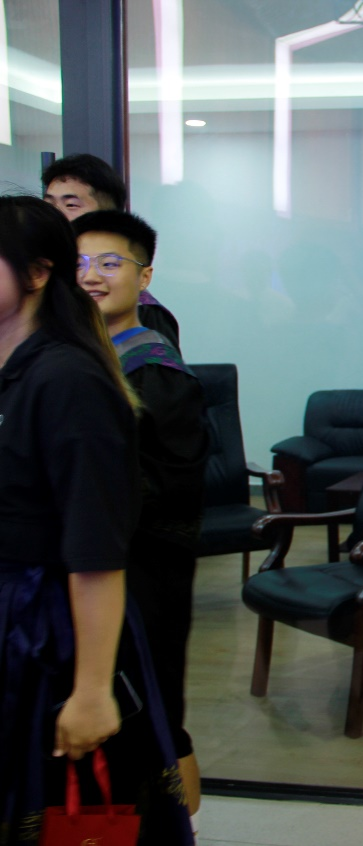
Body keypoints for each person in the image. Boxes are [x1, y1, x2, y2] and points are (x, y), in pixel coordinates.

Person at [0, 196, 192, 844]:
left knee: (63, 807)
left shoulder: (72, 378)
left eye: (113, 263)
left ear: (36, 273)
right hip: (17, 611)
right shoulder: (19, 367)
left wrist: (90, 690)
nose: (98, 275)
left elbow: (96, 545)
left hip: (52, 622)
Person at [72, 209, 208, 824]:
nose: (91, 276)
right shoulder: (73, 358)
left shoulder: (155, 367)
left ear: (144, 276)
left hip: (145, 570)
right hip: (90, 567)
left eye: (109, 263)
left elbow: (172, 483)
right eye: (79, 263)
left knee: (149, 711)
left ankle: (173, 827)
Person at [42, 154, 181, 348]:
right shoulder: (49, 289)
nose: (55, 215)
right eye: (49, 205)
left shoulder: (144, 314)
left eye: (71, 205)